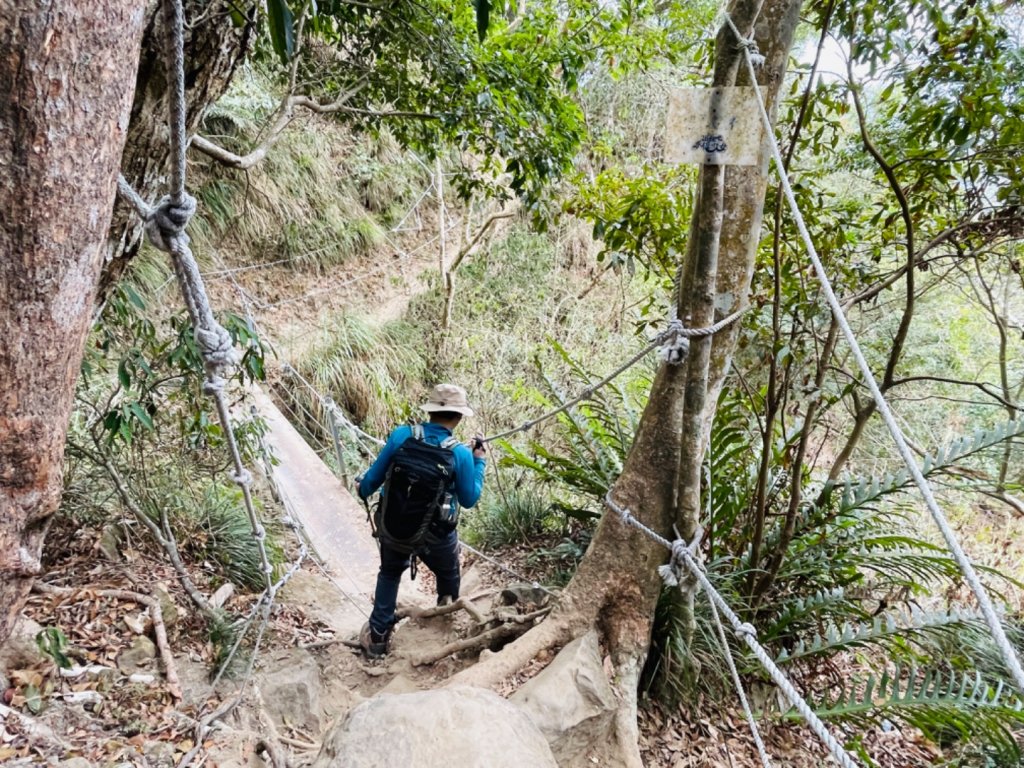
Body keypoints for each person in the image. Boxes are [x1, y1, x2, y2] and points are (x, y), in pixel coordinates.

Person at [355, 383, 487, 657]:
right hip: (435, 536)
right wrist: (479, 462)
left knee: (390, 573)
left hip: (394, 528)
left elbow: (373, 479)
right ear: (459, 417)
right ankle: (444, 618)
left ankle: (378, 638)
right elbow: (469, 499)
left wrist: (362, 489)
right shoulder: (460, 453)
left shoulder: (402, 436)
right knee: (448, 571)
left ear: (429, 412)